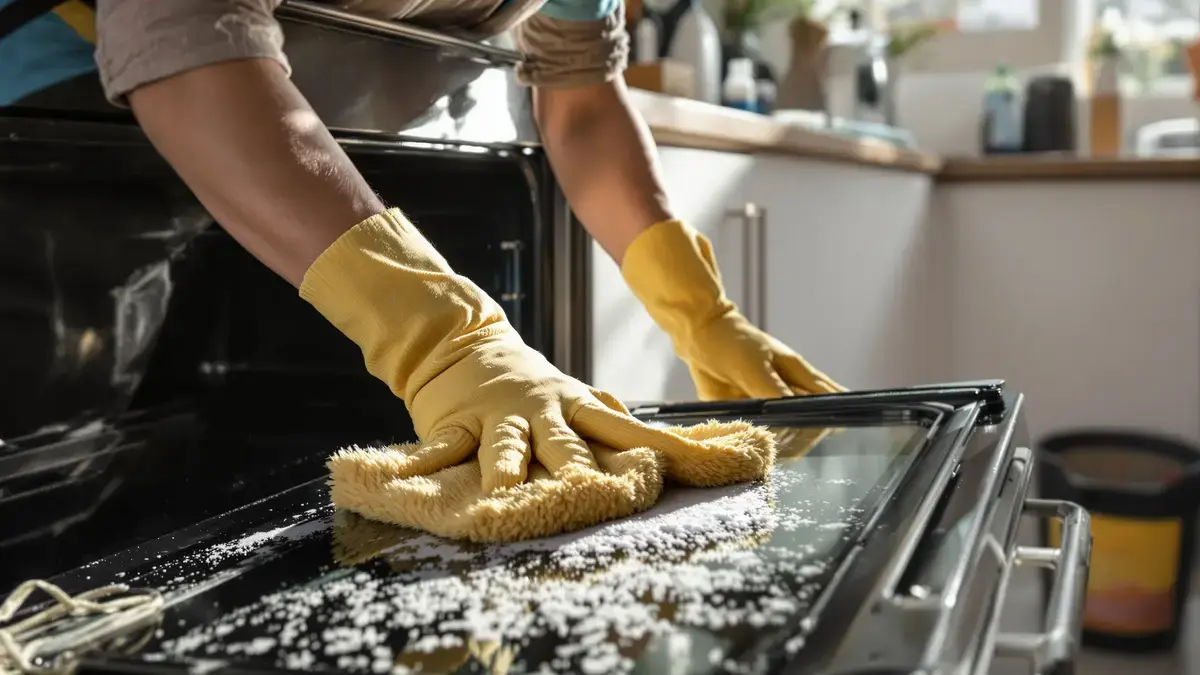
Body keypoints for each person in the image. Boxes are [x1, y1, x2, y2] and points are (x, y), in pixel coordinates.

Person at [1, 0, 843, 490]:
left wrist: (697, 309)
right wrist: (443, 339)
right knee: (59, 476)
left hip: (314, 162)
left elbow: (582, 96)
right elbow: (185, 43)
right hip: (59, 149)